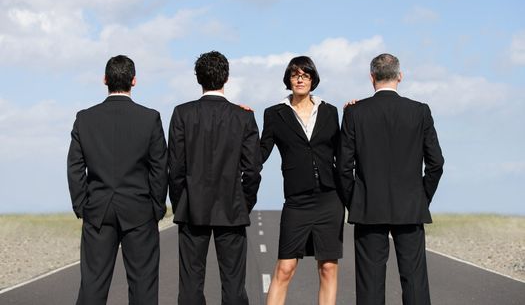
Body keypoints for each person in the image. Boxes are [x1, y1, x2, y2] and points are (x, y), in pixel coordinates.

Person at [338, 53, 445, 305]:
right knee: (415, 280)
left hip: (369, 207)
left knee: (370, 283)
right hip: (410, 206)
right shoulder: (420, 111)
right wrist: (421, 197)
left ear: (371, 77)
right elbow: (436, 163)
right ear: (400, 76)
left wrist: (355, 201)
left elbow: (343, 167)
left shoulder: (355, 112)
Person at [67, 55, 168, 305]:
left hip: (98, 211)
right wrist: (156, 207)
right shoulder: (150, 118)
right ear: (134, 81)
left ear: (105, 80)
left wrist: (82, 205)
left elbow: (75, 167)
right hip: (140, 210)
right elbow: (159, 167)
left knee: (93, 285)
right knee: (143, 286)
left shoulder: (85, 118)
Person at [168, 50, 262, 305]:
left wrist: (181, 203)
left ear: (198, 78)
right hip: (231, 206)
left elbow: (175, 167)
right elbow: (252, 169)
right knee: (233, 284)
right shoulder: (243, 116)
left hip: (192, 206)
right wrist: (244, 202)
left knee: (190, 283)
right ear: (227, 78)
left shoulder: (182, 114)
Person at [261, 56, 344, 305]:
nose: (300, 78)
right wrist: (241, 120)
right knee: (285, 269)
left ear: (312, 80)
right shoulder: (274, 114)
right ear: (288, 79)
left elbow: (344, 152)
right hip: (296, 201)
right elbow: (260, 152)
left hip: (330, 199)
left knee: (328, 268)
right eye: (295, 74)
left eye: (305, 75)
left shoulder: (330, 111)